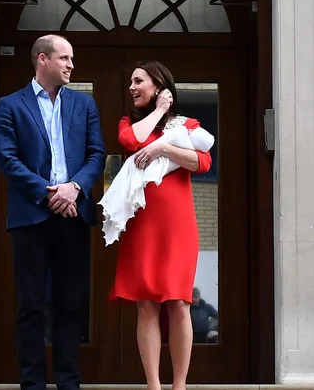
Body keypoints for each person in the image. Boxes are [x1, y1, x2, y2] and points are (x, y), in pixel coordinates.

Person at [0, 34, 106, 390]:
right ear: (42, 60)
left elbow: (96, 154)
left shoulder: (83, 105)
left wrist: (74, 188)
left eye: (71, 59)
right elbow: (7, 159)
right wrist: (49, 193)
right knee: (31, 306)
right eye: (65, 58)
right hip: (32, 216)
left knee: (69, 304)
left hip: (74, 217)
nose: (71, 65)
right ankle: (32, 384)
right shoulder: (10, 105)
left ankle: (68, 383)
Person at [109, 60, 212, 390]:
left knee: (179, 302)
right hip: (141, 224)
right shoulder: (130, 122)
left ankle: (179, 385)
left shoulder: (186, 126)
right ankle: (154, 385)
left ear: (157, 84)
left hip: (177, 225)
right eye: (131, 81)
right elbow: (132, 142)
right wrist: (159, 111)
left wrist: (165, 147)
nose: (132, 87)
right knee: (146, 303)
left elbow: (203, 162)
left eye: (138, 80)